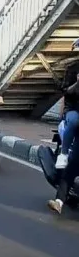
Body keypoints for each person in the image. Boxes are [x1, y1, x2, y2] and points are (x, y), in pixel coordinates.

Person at [55, 38, 79, 169]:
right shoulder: (72, 69)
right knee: (75, 120)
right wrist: (77, 84)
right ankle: (63, 154)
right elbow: (65, 91)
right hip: (74, 109)